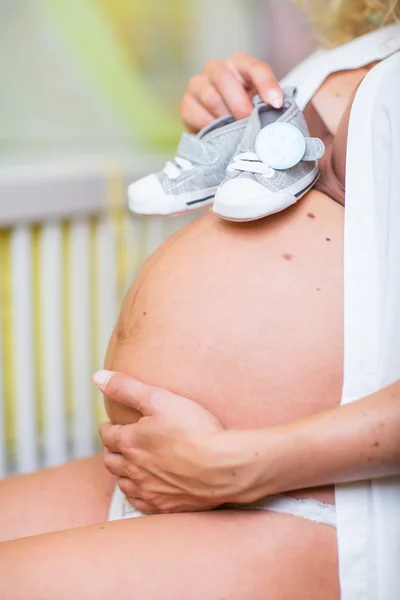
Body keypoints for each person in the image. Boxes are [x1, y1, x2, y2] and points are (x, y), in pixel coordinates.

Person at [0, 3, 399, 600]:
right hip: (155, 470)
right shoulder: (363, 47)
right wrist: (229, 123)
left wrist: (239, 463)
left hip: (305, 499)